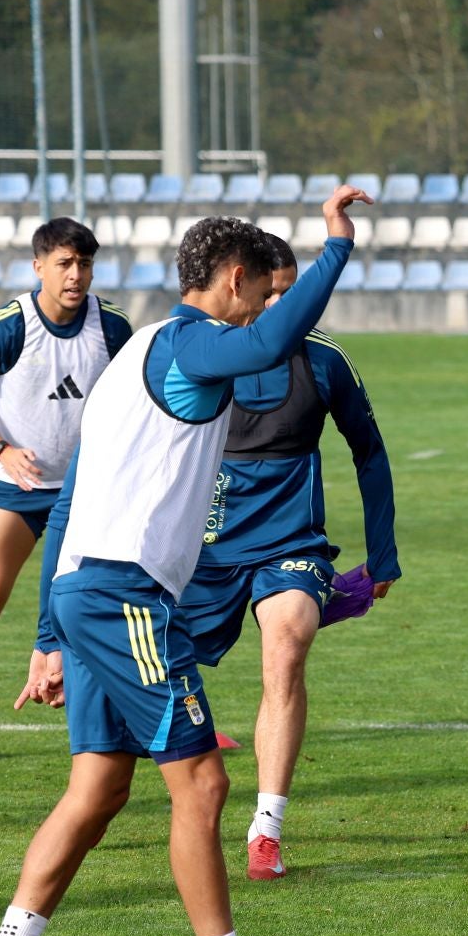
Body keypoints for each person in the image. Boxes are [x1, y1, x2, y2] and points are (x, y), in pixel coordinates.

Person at [0, 187, 369, 936]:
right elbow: (273, 337)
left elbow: (73, 496)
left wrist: (47, 633)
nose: (263, 303)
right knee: (205, 781)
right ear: (229, 279)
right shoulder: (194, 343)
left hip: (86, 592)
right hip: (124, 597)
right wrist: (337, 249)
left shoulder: (133, 346)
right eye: (260, 287)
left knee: (98, 789)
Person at [182, 233, 401, 881]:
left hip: (289, 543)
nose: (282, 305)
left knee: (285, 649)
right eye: (271, 293)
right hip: (207, 544)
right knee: (150, 661)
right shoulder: (202, 356)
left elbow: (370, 449)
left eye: (291, 292)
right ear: (242, 288)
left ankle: (266, 829)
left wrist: (383, 552)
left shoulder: (326, 361)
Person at [0, 219, 131, 768]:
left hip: (92, 489)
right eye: (65, 264)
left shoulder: (113, 325)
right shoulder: (9, 325)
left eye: (85, 265)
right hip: (18, 486)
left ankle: (171, 713)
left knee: (132, 603)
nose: (76, 276)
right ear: (39, 267)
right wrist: (1, 448)